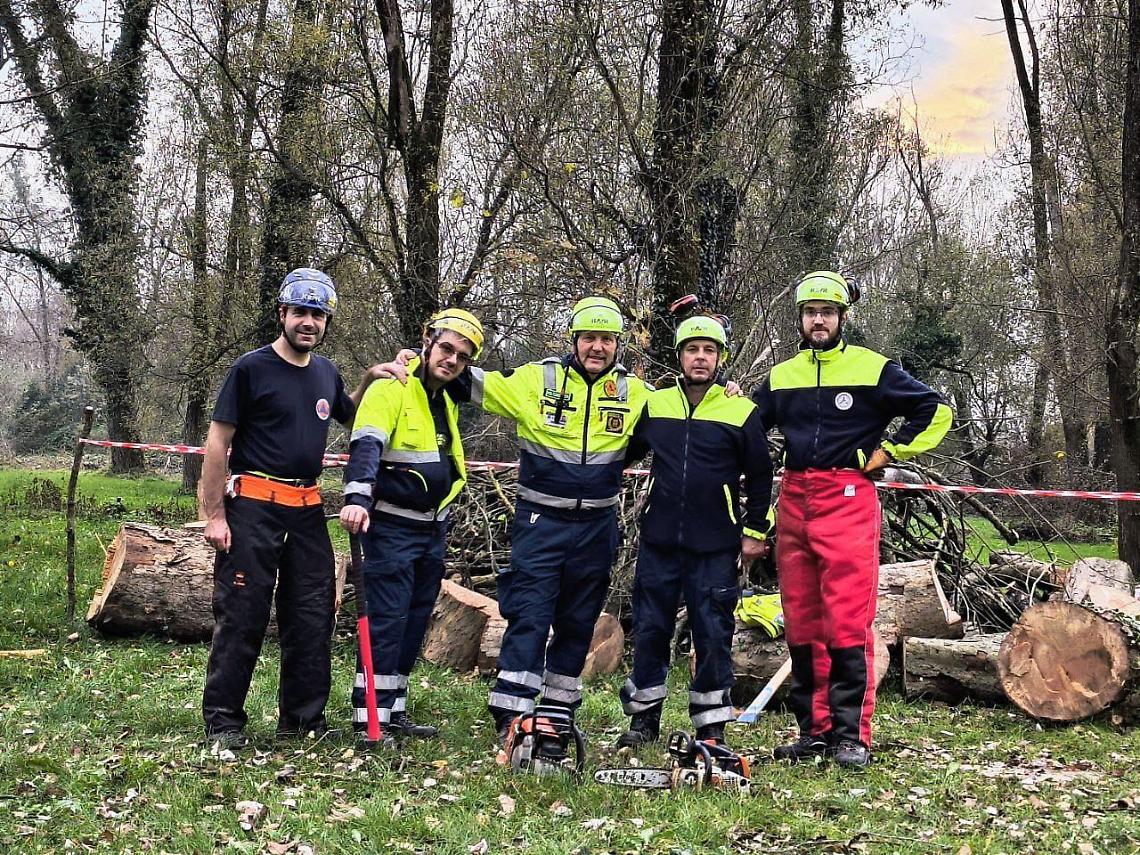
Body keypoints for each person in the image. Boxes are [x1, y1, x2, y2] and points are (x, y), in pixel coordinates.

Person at [752, 270, 952, 768]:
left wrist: (888, 450)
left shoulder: (873, 368)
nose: (818, 320)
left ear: (842, 316)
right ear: (799, 318)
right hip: (795, 496)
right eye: (810, 312)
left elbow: (934, 410)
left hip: (848, 495)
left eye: (828, 312)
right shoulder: (781, 375)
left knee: (846, 621)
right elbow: (745, 428)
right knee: (801, 621)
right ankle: (813, 731)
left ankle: (850, 734)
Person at [200, 268, 382, 749]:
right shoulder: (250, 369)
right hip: (253, 507)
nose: (309, 322)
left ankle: (302, 722)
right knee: (242, 616)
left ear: (326, 322)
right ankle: (224, 723)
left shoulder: (325, 372)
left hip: (306, 510)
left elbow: (350, 411)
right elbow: (218, 442)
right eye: (300, 312)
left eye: (318, 315)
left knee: (312, 615)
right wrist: (213, 515)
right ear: (282, 314)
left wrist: (368, 379)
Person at [617, 316, 773, 750]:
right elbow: (621, 452)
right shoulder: (656, 404)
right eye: (692, 350)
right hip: (659, 539)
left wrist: (756, 530)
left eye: (708, 350)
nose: (700, 357)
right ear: (680, 356)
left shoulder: (739, 409)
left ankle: (711, 728)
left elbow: (762, 475)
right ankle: (643, 720)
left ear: (720, 357)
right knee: (650, 630)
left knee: (712, 633)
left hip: (716, 543)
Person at [338, 309, 484, 741]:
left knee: (414, 621)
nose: (452, 359)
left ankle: (393, 711)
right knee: (387, 620)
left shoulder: (445, 399)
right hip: (390, 527)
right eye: (446, 348)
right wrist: (356, 497)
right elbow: (366, 443)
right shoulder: (393, 386)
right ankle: (370, 716)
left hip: (431, 529)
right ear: (428, 341)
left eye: (462, 356)